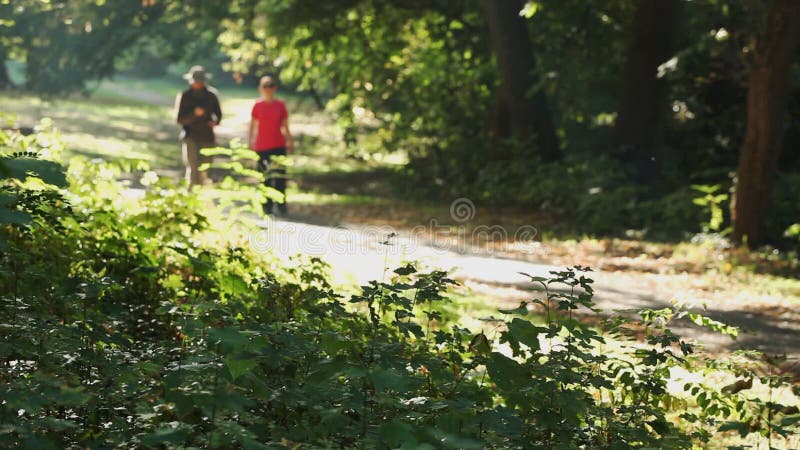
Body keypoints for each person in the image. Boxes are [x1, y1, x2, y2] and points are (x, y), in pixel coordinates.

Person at [248, 75, 294, 215]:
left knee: (279, 176)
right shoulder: (258, 105)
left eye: (271, 86)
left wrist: (289, 140)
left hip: (278, 144)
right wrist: (250, 141)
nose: (268, 89)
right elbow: (253, 125)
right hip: (262, 146)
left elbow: (285, 125)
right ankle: (266, 206)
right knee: (265, 177)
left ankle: (281, 205)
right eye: (265, 86)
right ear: (260, 88)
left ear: (275, 88)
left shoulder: (280, 105)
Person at [175, 65, 222, 186]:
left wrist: (215, 122)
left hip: (207, 137)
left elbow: (218, 115)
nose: (198, 84)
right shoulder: (185, 96)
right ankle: (191, 195)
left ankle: (204, 196)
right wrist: (194, 115)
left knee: (205, 169)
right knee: (193, 168)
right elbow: (180, 119)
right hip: (190, 136)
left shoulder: (212, 96)